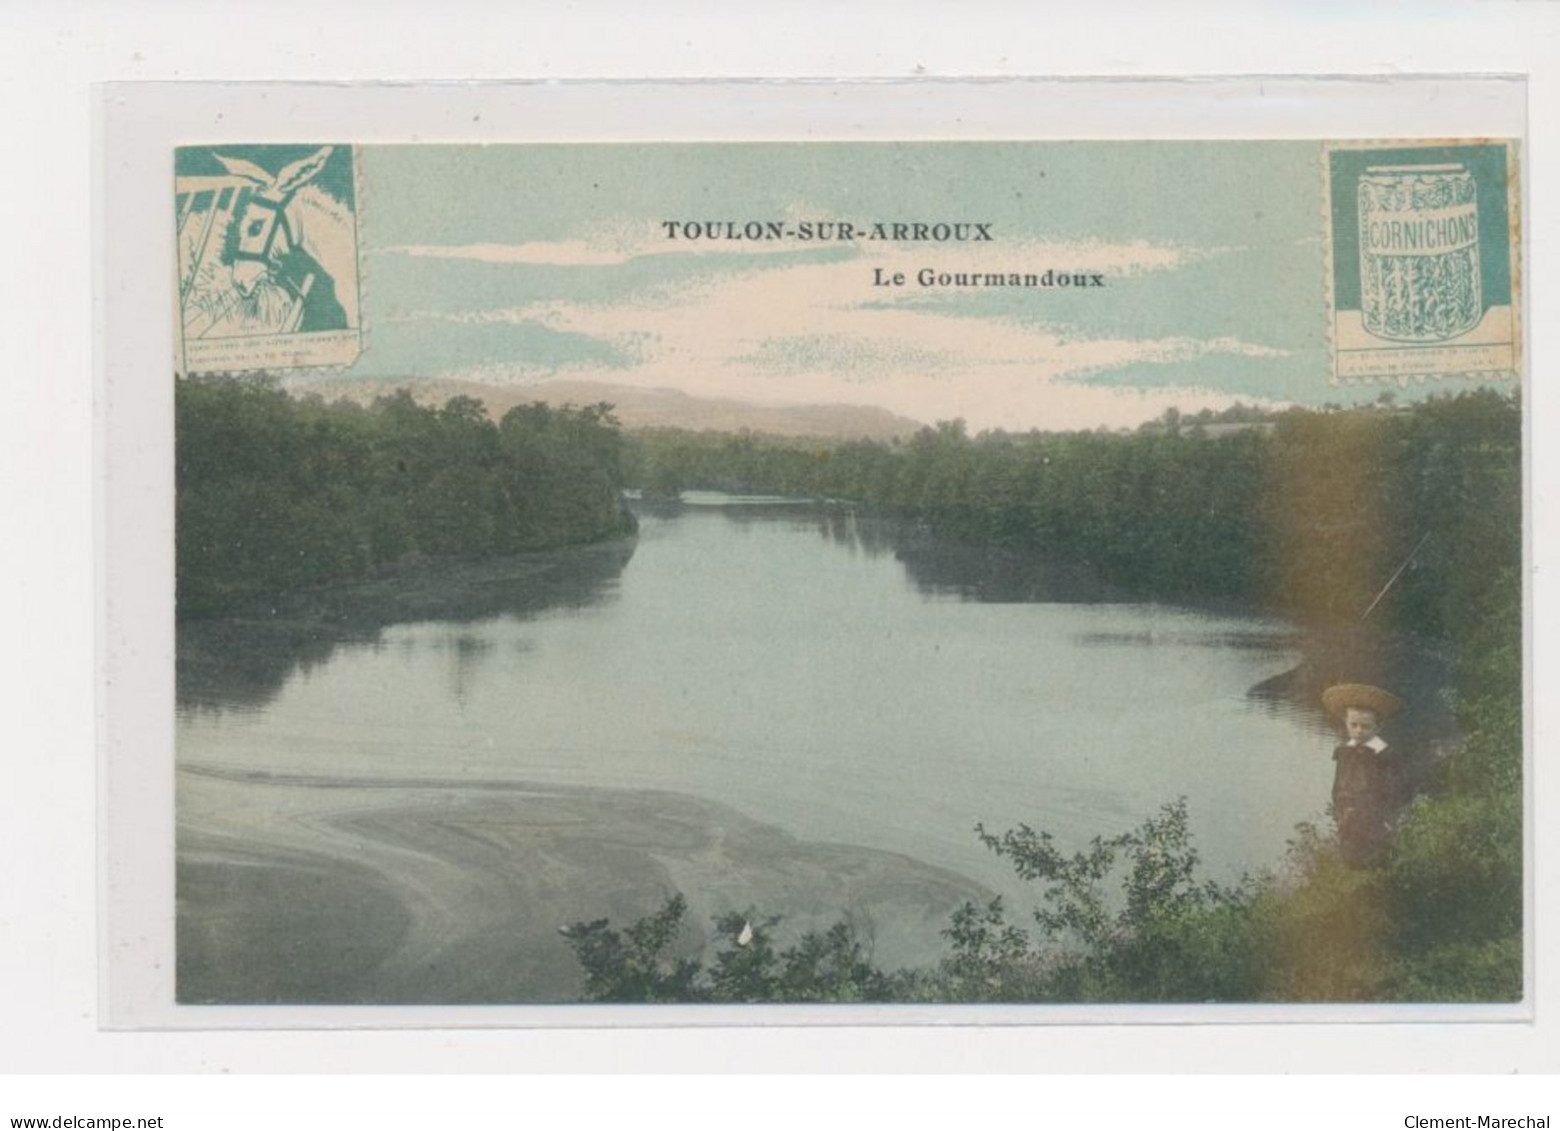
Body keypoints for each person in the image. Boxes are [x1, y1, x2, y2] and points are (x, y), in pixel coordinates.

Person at [1321, 682, 1409, 867]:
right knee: (1350, 859)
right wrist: (1340, 812)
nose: (1359, 731)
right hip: (1348, 818)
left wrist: (1388, 820)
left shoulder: (1384, 755)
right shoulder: (1344, 752)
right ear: (1345, 722)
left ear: (1378, 727)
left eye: (1366, 726)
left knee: (1376, 860)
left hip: (1374, 819)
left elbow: (1395, 791)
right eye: (1354, 725)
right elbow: (1338, 786)